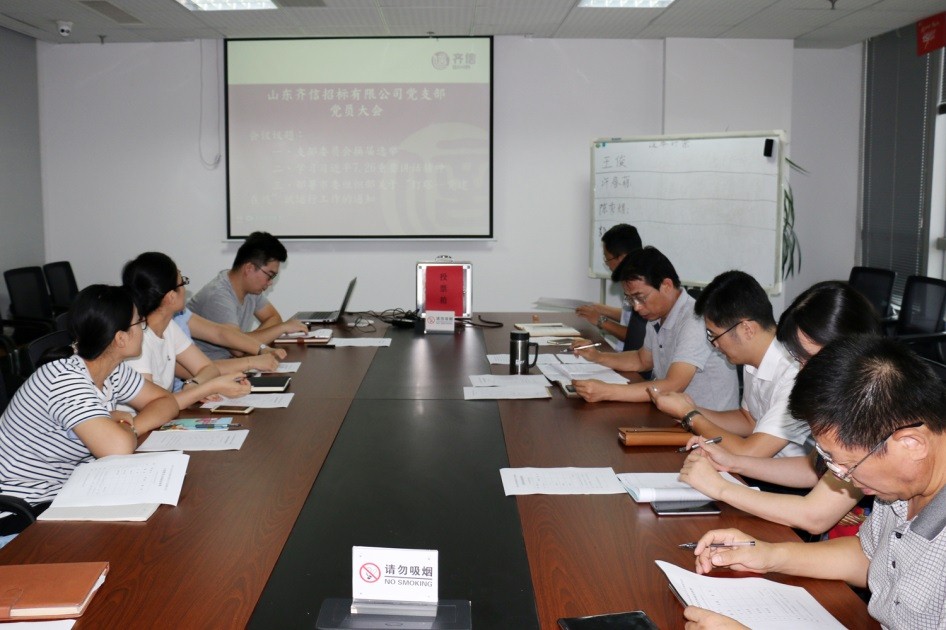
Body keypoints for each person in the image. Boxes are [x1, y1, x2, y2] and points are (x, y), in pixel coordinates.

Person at [683, 336, 946, 629]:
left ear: (912, 444)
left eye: (849, 465)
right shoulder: (900, 486)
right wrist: (769, 554)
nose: (842, 477)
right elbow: (869, 556)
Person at [678, 281, 883, 534]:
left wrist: (721, 488)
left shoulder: (872, 408)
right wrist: (732, 462)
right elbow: (813, 468)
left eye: (808, 359)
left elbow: (814, 516)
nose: (801, 371)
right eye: (798, 359)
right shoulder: (846, 400)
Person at [0, 285, 179, 536]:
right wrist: (119, 426)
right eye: (140, 322)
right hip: (20, 511)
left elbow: (166, 401)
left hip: (63, 493)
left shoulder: (110, 369)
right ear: (121, 338)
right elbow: (117, 448)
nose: (144, 327)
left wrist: (127, 425)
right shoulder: (64, 379)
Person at [650, 270, 809, 458]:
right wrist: (690, 409)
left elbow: (750, 452)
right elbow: (748, 420)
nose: (713, 344)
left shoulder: (794, 373)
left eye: (713, 335)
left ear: (747, 329)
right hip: (757, 467)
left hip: (781, 474)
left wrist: (690, 415)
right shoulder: (753, 360)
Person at [571, 247, 738, 411]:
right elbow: (642, 360)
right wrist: (598, 357)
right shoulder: (656, 315)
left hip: (706, 423)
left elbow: (674, 385)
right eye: (630, 299)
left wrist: (606, 391)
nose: (636, 307)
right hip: (675, 414)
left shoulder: (694, 320)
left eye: (640, 297)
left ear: (666, 285)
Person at [122, 252, 251, 408]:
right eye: (182, 282)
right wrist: (207, 388)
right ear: (171, 297)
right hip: (135, 420)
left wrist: (193, 385)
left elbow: (208, 367)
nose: (185, 288)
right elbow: (153, 407)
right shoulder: (137, 339)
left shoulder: (169, 326)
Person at [187, 231, 307, 360]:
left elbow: (273, 317)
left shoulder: (250, 288)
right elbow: (239, 350)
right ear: (249, 268)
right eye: (270, 275)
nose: (270, 282)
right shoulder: (218, 296)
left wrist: (247, 340)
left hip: (232, 362)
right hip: (210, 367)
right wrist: (282, 328)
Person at [575, 224, 646, 351]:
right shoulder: (631, 278)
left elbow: (636, 337)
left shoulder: (642, 284)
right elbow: (631, 318)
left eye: (607, 258)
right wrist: (601, 309)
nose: (606, 264)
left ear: (622, 258)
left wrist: (601, 320)